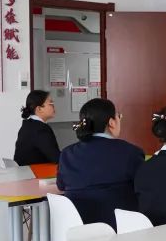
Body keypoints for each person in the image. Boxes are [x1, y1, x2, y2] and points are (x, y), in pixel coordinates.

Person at [56, 98, 144, 229]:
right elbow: (144, 187)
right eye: (119, 116)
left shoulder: (67, 153)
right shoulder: (130, 152)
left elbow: (61, 186)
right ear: (111, 122)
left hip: (78, 230)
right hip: (121, 229)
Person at [13, 90, 61, 165]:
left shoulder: (28, 125)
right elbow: (56, 158)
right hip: (35, 171)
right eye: (51, 103)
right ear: (39, 109)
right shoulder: (40, 130)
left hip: (25, 170)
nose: (54, 106)